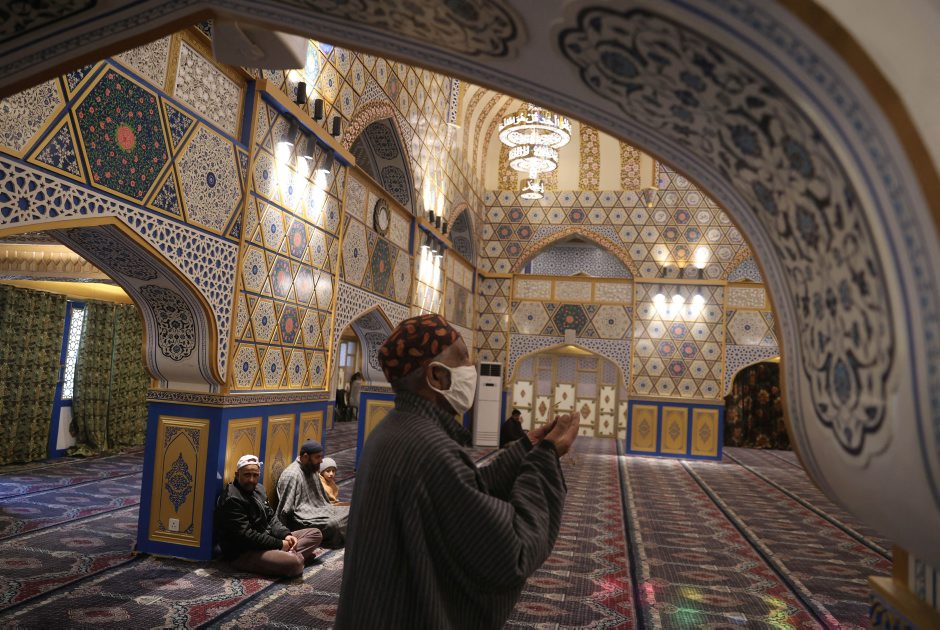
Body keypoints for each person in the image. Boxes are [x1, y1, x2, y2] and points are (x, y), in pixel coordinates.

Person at [336, 314, 580, 629]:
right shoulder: (429, 448)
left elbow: (467, 490)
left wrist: (527, 448)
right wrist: (546, 457)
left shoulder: (393, 430)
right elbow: (512, 552)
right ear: (436, 376)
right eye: (463, 358)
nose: (471, 368)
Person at [214, 454, 322, 578]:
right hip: (244, 552)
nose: (251, 480)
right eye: (247, 475)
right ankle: (292, 558)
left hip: (267, 539)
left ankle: (286, 556)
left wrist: (285, 535)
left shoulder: (259, 489)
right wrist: (279, 544)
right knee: (295, 564)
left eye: (255, 475)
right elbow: (246, 536)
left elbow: (271, 517)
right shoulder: (231, 499)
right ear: (237, 474)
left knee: (315, 534)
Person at [276, 440, 349, 548]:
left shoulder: (311, 468)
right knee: (333, 524)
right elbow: (284, 509)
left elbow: (322, 500)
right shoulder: (292, 475)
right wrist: (283, 534)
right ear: (306, 457)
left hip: (319, 509)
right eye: (318, 457)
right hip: (302, 519)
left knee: (351, 511)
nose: (321, 461)